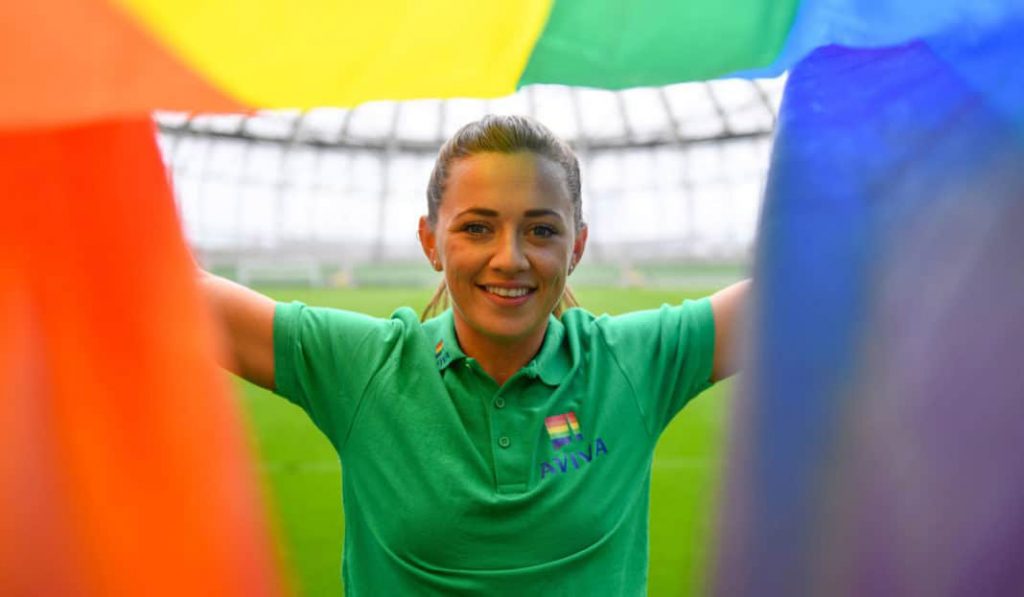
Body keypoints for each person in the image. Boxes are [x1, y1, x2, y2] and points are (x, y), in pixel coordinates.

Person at [201, 114, 749, 595]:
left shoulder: (636, 363)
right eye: (477, 228)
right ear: (430, 241)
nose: (509, 258)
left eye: (540, 230)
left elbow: (815, 282)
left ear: (576, 247)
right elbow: (160, 287)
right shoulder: (362, 368)